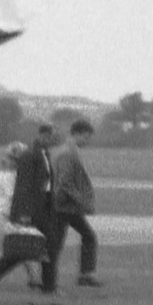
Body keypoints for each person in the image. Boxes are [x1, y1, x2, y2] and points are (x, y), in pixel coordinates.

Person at [0, 142, 44, 288]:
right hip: (1, 216)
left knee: (22, 246)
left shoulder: (10, 173)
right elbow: (13, 196)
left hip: (5, 216)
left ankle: (34, 278)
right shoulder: (9, 175)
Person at [11, 124, 61, 293]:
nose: (52, 140)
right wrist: (24, 213)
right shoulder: (29, 155)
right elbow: (23, 186)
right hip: (32, 208)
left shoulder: (45, 154)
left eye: (52, 137)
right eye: (49, 136)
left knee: (50, 247)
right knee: (25, 248)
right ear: (42, 135)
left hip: (46, 206)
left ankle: (49, 287)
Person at [54, 119, 102, 287]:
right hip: (64, 207)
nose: (88, 141)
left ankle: (85, 275)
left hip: (67, 206)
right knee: (57, 243)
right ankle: (84, 275)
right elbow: (65, 182)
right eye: (87, 137)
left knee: (85, 237)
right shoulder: (68, 153)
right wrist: (82, 200)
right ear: (78, 133)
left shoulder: (70, 151)